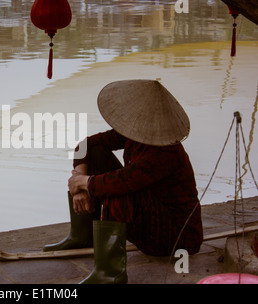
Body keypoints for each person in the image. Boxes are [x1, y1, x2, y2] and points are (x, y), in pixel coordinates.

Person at [43, 79, 203, 284]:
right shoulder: (135, 134)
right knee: (96, 152)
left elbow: (124, 181)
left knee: (117, 189)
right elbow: (85, 145)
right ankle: (83, 236)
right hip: (153, 220)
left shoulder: (165, 152)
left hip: (177, 239)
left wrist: (84, 182)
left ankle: (110, 273)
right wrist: (79, 185)